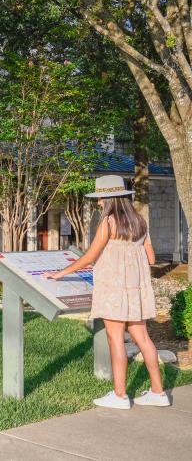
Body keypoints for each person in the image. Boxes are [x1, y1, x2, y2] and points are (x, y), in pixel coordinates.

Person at [45, 175, 170, 409]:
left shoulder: (109, 223)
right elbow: (151, 257)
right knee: (144, 339)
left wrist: (59, 273)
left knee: (115, 340)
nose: (99, 203)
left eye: (101, 198)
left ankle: (120, 395)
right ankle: (158, 392)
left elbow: (90, 256)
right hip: (135, 290)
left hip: (113, 289)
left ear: (109, 198)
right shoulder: (140, 222)